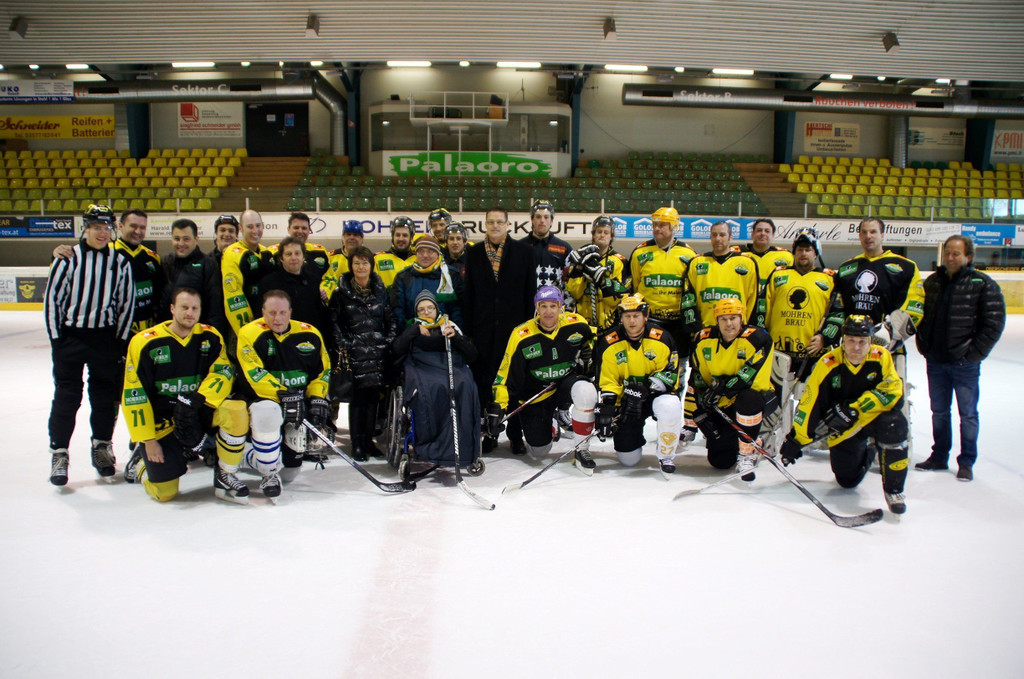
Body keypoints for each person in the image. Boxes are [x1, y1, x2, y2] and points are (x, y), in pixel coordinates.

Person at [121, 287, 250, 504]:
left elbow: (223, 372)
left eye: (194, 308)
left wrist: (199, 399)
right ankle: (141, 464)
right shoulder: (145, 342)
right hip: (163, 424)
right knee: (165, 493)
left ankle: (225, 475)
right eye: (184, 307)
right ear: (172, 309)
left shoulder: (210, 336)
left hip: (197, 413)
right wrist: (148, 440)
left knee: (235, 410)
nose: (189, 313)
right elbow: (134, 394)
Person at [779, 315, 909, 514]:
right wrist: (796, 439)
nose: (856, 347)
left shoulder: (881, 356)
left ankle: (894, 490)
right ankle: (871, 449)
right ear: (843, 340)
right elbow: (809, 403)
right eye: (851, 341)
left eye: (862, 342)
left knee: (895, 424)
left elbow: (894, 393)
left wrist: (855, 408)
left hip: (874, 418)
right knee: (847, 480)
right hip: (845, 427)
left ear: (870, 341)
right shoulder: (828, 363)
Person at [43, 204, 135, 485]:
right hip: (71, 337)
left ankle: (101, 446)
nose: (102, 233)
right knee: (67, 396)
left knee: (104, 396)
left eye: (106, 227)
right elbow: (53, 301)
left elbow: (126, 303)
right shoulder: (67, 259)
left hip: (104, 338)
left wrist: (119, 341)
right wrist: (57, 341)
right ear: (85, 228)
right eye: (96, 227)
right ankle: (59, 453)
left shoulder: (119, 262)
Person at [914, 235, 1006, 481]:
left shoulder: (983, 284)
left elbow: (994, 323)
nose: (950, 258)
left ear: (968, 257)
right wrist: (924, 345)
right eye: (947, 253)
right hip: (936, 361)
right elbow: (921, 316)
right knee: (939, 411)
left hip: (964, 364)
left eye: (956, 254)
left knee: (968, 414)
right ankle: (939, 456)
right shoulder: (933, 282)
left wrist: (972, 354)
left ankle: (966, 461)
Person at [236, 290, 332, 498]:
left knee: (289, 473)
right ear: (263, 312)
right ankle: (263, 468)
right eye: (271, 313)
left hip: (297, 406)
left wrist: (317, 397)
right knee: (268, 412)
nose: (277, 318)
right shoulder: (249, 333)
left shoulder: (310, 333)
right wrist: (284, 394)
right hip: (264, 401)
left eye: (282, 312)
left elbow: (322, 371)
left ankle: (257, 456)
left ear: (290, 312)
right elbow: (255, 374)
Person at [487, 286, 595, 464]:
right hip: (537, 394)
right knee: (539, 451)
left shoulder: (577, 323)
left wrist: (589, 352)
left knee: (586, 391)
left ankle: (582, 449)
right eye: (543, 306)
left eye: (553, 306)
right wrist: (499, 405)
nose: (548, 312)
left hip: (565, 384)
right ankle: (551, 422)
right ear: (536, 308)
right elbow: (504, 374)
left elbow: (596, 340)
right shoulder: (521, 335)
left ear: (561, 307)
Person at [462, 206, 538, 450]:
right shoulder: (473, 253)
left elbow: (530, 295)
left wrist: (528, 331)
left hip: (514, 332)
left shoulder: (525, 252)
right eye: (491, 222)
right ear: (485, 225)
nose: (495, 226)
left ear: (508, 225)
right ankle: (490, 434)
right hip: (483, 333)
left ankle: (515, 435)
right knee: (485, 385)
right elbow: (469, 295)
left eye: (499, 222)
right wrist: (469, 333)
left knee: (514, 384)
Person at [682, 298, 776, 481]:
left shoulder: (758, 338)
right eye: (723, 319)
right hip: (723, 402)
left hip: (756, 398)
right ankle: (749, 439)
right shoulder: (703, 339)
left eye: (733, 318)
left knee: (748, 399)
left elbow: (748, 377)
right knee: (720, 461)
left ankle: (747, 453)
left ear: (742, 318)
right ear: (716, 320)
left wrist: (721, 390)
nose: (729, 324)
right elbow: (697, 380)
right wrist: (692, 420)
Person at [588, 294, 682, 474]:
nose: (632, 321)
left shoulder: (662, 338)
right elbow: (608, 381)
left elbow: (670, 374)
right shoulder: (609, 342)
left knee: (670, 406)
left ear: (646, 316)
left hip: (654, 396)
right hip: (627, 402)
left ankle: (666, 456)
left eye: (636, 316)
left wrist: (646, 389)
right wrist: (608, 409)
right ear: (621, 318)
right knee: (628, 460)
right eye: (627, 316)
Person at [393, 290, 481, 469]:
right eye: (421, 310)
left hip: (450, 366)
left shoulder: (449, 325)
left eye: (430, 308)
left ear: (437, 309)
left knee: (465, 384)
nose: (426, 312)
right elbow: (396, 350)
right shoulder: (412, 327)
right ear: (416, 313)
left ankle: (463, 449)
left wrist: (456, 338)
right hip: (422, 367)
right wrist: (414, 331)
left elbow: (472, 355)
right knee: (435, 387)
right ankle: (430, 446)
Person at [763, 228, 836, 443]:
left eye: (808, 250)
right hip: (779, 352)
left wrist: (825, 337)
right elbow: (763, 308)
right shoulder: (778, 275)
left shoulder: (829, 278)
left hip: (813, 353)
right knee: (774, 401)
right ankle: (771, 438)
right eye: (800, 249)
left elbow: (838, 313)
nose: (803, 254)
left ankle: (805, 437)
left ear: (816, 252)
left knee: (810, 399)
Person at [328, 245, 398, 461]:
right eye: (356, 263)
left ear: (371, 265)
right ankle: (357, 444)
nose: (360, 267)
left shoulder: (381, 291)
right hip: (355, 355)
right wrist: (346, 344)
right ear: (351, 266)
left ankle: (369, 442)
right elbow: (334, 323)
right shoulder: (340, 293)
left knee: (373, 401)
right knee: (357, 402)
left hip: (377, 354)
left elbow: (390, 319)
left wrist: (387, 341)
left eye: (364, 263)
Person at [52, 207, 164, 335]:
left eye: (142, 227)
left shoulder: (153, 257)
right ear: (120, 226)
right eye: (133, 226)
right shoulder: (107, 253)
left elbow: (159, 293)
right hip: (116, 330)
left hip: (149, 330)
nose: (138, 231)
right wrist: (57, 253)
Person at [825, 217, 924, 358]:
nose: (868, 236)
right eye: (864, 232)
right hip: (852, 347)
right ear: (859, 236)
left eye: (873, 232)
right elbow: (838, 308)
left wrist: (889, 333)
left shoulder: (906, 267)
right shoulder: (846, 268)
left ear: (882, 235)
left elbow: (914, 308)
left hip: (889, 350)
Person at [627, 206, 696, 359]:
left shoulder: (688, 253)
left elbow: (691, 289)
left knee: (679, 361)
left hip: (678, 322)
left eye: (662, 225)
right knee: (650, 358)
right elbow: (635, 286)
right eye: (655, 225)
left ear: (674, 226)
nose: (657, 228)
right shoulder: (640, 252)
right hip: (650, 320)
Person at [682, 221, 758, 335]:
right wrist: (695, 328)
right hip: (705, 330)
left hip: (737, 331)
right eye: (714, 235)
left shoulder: (748, 263)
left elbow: (754, 300)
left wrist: (747, 327)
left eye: (722, 235)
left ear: (730, 237)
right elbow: (688, 298)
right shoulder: (696, 262)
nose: (718, 238)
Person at [158, 218, 228, 339]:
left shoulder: (208, 264)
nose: (181, 243)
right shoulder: (166, 262)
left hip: (196, 335)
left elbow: (215, 307)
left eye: (186, 239)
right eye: (177, 239)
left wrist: (213, 337)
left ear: (196, 239)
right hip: (167, 333)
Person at [566, 215, 629, 332]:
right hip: (583, 323)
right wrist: (578, 268)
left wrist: (603, 281)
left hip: (610, 325)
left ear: (611, 236)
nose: (602, 235)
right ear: (593, 235)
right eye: (599, 232)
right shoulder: (580, 257)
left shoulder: (620, 261)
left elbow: (620, 298)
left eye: (606, 232)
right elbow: (574, 293)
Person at [221, 209, 275, 342]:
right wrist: (247, 331)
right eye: (250, 227)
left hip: (269, 324)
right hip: (248, 329)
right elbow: (234, 296)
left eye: (258, 226)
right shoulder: (232, 254)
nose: (255, 230)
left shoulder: (266, 253)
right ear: (240, 228)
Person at [258, 235, 329, 335]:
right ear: (281, 258)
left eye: (297, 253)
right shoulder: (268, 283)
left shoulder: (314, 280)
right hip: (280, 338)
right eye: (288, 254)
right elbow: (261, 317)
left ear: (303, 257)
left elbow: (319, 316)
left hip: (310, 337)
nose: (293, 258)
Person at [390, 234, 464, 328]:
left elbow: (458, 308)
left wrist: (454, 330)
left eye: (430, 251)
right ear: (416, 254)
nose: (425, 255)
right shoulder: (403, 277)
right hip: (413, 332)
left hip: (445, 331)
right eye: (421, 251)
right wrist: (411, 330)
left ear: (437, 254)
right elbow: (397, 310)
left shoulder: (451, 275)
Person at [741, 218, 794, 328]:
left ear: (773, 235)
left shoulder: (786, 256)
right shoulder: (739, 254)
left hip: (772, 311)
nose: (763, 233)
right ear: (752, 234)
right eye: (759, 230)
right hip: (745, 309)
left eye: (767, 231)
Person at [522, 200, 572, 292]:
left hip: (554, 300)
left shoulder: (564, 248)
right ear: (532, 219)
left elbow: (570, 282)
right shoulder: (519, 247)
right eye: (538, 217)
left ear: (551, 220)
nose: (542, 221)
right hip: (526, 300)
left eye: (546, 217)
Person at [268, 212, 330, 277]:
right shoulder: (273, 252)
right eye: (296, 228)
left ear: (309, 230)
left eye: (304, 228)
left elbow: (330, 278)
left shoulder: (321, 252)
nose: (300, 231)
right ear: (288, 229)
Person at [321, 219, 367, 300]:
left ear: (362, 238)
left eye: (356, 235)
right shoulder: (330, 257)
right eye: (348, 234)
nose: (352, 237)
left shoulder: (369, 259)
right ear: (343, 238)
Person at [374, 216, 416, 289]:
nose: (401, 238)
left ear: (411, 238)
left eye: (405, 235)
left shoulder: (419, 259)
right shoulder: (377, 259)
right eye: (397, 235)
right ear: (392, 236)